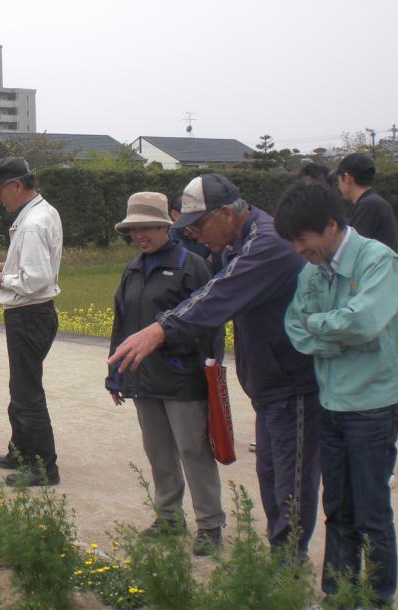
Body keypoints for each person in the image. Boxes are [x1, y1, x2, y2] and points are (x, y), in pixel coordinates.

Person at [107, 174, 321, 557]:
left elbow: (216, 298)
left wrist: (159, 331)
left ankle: (287, 564)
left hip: (292, 380)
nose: (194, 235)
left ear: (224, 213)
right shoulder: (239, 242)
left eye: (199, 225)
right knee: (272, 474)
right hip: (270, 383)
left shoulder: (264, 245)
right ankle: (281, 556)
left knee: (290, 478)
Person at [278, 181, 398, 606]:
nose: (298, 249)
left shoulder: (377, 262)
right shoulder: (314, 272)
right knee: (338, 509)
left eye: (302, 238)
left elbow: (364, 323)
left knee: (372, 511)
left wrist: (324, 326)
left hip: (371, 407)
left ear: (331, 226)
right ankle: (336, 597)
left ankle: (377, 602)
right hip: (330, 404)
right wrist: (335, 331)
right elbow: (296, 328)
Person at [107, 192, 226, 555]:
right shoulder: (131, 270)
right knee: (158, 451)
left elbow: (211, 323)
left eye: (148, 228)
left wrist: (210, 370)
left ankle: (209, 523)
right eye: (134, 230)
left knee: (194, 450)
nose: (141, 236)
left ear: (165, 226)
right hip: (143, 377)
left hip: (183, 375)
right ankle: (169, 516)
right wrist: (115, 374)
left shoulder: (192, 267)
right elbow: (122, 324)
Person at [0, 157, 63, 486]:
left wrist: (3, 280)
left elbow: (36, 279)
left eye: (0, 190)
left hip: (29, 313)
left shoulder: (31, 223)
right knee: (22, 386)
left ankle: (43, 466)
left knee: (27, 391)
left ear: (17, 185)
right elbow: (37, 264)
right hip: (36, 313)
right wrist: (11, 263)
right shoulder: (43, 212)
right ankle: (22, 450)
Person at [333, 153, 398, 252]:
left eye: (339, 180)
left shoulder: (368, 205)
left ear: (347, 179)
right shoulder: (373, 202)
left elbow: (353, 249)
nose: (339, 186)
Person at [169, 193, 222, 273]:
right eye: (190, 214)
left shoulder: (210, 230)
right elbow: (183, 268)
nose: (196, 218)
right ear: (175, 215)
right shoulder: (168, 238)